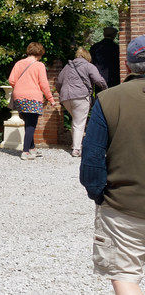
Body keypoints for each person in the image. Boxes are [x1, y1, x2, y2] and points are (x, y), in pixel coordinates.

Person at [80, 35, 145, 294]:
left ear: (128, 66)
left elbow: (92, 158)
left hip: (123, 205)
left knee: (125, 274)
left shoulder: (109, 100)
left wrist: (98, 194)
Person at [8, 42, 59, 161]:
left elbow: (11, 80)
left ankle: (32, 148)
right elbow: (44, 84)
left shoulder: (19, 63)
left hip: (19, 96)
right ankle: (25, 151)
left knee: (28, 122)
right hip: (33, 96)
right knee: (31, 124)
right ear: (40, 53)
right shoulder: (39, 65)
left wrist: (21, 87)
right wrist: (51, 99)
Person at [57, 47, 107, 157]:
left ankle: (74, 143)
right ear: (87, 56)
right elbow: (98, 80)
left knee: (75, 120)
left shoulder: (67, 66)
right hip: (80, 96)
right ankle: (77, 149)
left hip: (66, 97)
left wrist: (61, 93)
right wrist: (105, 88)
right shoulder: (89, 66)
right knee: (79, 122)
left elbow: (59, 82)